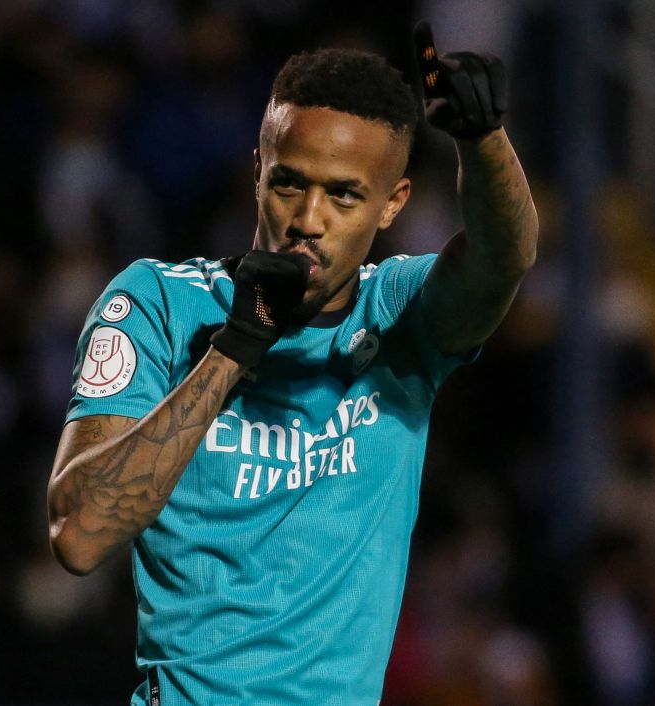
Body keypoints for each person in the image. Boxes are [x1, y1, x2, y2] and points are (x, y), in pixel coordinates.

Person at [47, 21, 538, 706]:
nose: (308, 217)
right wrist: (236, 349)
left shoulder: (399, 319)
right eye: (288, 183)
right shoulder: (157, 303)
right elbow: (79, 532)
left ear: (393, 203)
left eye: (343, 194)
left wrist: (482, 142)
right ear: (257, 172)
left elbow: (503, 260)